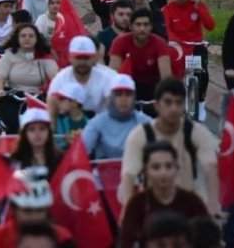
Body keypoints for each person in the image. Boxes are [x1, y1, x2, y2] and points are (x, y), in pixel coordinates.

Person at [119, 77, 220, 217]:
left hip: (189, 208)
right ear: (156, 105)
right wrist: (129, 209)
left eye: (178, 103)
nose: (173, 108)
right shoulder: (139, 135)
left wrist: (213, 203)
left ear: (185, 105)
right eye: (168, 102)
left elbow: (211, 168)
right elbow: (128, 175)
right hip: (153, 211)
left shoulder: (198, 134)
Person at [118, 141, 210, 248]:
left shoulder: (193, 201)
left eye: (169, 166)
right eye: (156, 167)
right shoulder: (136, 203)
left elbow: (208, 240)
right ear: (145, 171)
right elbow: (125, 243)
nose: (163, 173)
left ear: (176, 168)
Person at [0, 168, 74, 248]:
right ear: (13, 209)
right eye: (28, 210)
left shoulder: (62, 237)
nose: (34, 217)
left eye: (39, 210)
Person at [162, 0, 215, 121]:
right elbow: (168, 31)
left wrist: (199, 8)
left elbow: (210, 26)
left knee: (202, 73)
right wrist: (179, 44)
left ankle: (201, 103)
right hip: (177, 47)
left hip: (195, 46)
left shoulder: (196, 5)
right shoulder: (167, 9)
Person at [0, 23, 58, 133]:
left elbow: (56, 77)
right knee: (12, 127)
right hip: (13, 98)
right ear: (17, 38)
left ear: (36, 39)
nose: (27, 38)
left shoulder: (43, 56)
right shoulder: (9, 56)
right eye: (23, 36)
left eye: (31, 36)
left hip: (38, 99)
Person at [81, 73, 151, 160]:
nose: (124, 99)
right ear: (111, 98)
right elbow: (80, 152)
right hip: (105, 172)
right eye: (119, 94)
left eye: (128, 94)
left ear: (134, 98)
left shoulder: (145, 122)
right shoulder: (96, 123)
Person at [109, 8, 173, 102]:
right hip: (126, 88)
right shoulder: (119, 42)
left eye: (146, 25)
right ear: (130, 26)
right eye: (138, 25)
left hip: (153, 90)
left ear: (151, 26)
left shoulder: (160, 43)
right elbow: (113, 73)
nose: (142, 29)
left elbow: (166, 76)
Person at [46, 36, 116, 121]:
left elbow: (116, 108)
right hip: (69, 127)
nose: (82, 62)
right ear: (70, 57)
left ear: (95, 58)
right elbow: (51, 109)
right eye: (78, 58)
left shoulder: (108, 76)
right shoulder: (61, 78)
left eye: (86, 58)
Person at [10, 109, 63, 176]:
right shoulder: (15, 160)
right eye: (32, 129)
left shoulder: (60, 158)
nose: (37, 134)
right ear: (25, 133)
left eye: (42, 128)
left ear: (49, 132)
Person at [51, 83, 87, 150]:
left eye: (61, 99)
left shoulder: (89, 124)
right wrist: (65, 142)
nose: (58, 102)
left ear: (74, 103)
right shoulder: (57, 121)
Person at [95, 0, 132, 64]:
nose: (125, 18)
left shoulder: (134, 34)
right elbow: (99, 62)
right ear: (112, 16)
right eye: (121, 14)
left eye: (128, 15)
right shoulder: (103, 37)